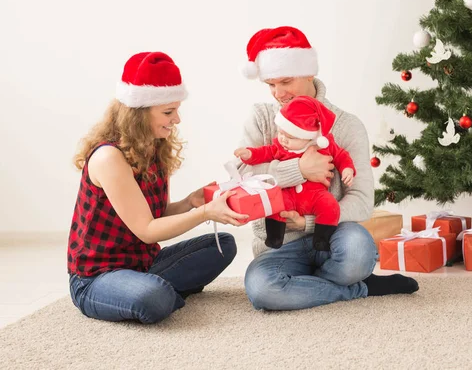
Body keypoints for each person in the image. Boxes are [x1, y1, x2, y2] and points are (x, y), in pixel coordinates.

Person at [238, 26, 420, 311]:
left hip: (334, 236)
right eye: (270, 85)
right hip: (279, 245)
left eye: (286, 81)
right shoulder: (261, 118)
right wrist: (299, 168)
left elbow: (361, 202)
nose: (279, 93)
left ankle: (309, 288)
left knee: (358, 253)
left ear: (310, 72)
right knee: (262, 290)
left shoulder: (347, 125)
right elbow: (245, 177)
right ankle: (357, 289)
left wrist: (308, 223)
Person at [68, 51, 246, 324]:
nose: (177, 119)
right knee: (153, 297)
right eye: (168, 112)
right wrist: (206, 213)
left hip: (143, 264)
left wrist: (191, 202)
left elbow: (157, 215)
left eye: (176, 110)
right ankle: (151, 292)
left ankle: (150, 288)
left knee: (223, 245)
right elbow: (147, 231)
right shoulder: (109, 157)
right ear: (138, 114)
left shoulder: (153, 147)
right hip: (96, 276)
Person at [234, 95, 355, 251]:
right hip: (288, 193)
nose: (282, 139)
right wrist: (250, 154)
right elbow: (265, 152)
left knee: (331, 207)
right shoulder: (281, 147)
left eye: (289, 136)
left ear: (307, 135)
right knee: (276, 204)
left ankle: (321, 240)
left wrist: (347, 169)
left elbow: (341, 156)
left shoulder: (324, 145)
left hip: (315, 195)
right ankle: (274, 237)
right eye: (280, 132)